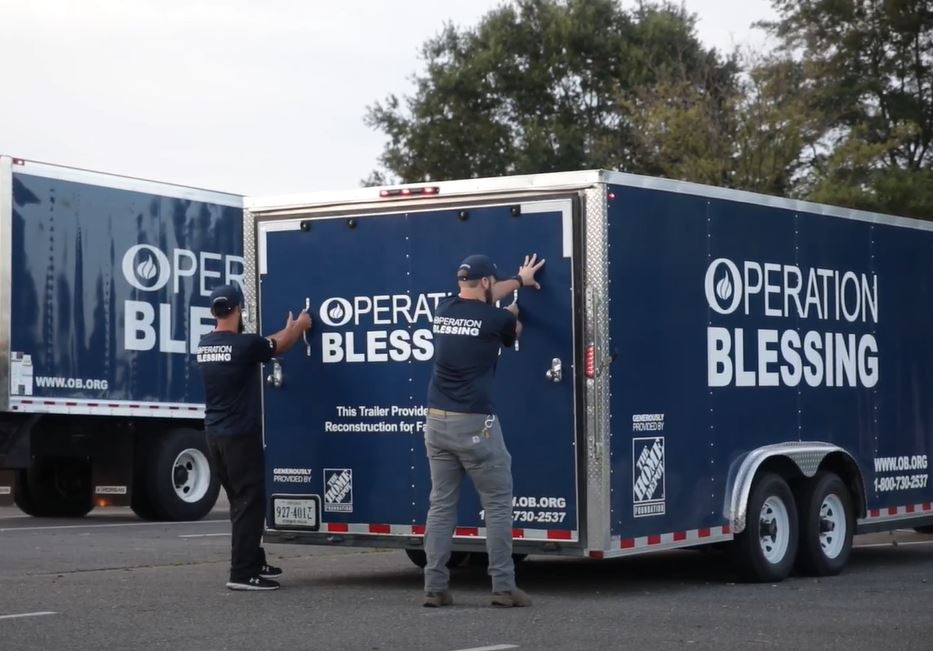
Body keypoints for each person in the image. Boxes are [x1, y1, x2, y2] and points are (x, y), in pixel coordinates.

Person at [422, 252, 545, 608]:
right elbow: (513, 329)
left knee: (441, 506)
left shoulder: (443, 310)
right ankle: (504, 588)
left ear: (462, 283)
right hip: (475, 422)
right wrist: (514, 311)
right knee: (496, 505)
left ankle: (434, 587)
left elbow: (487, 295)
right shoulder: (497, 320)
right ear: (488, 282)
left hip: (436, 421)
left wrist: (519, 280)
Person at [196, 283, 312, 591]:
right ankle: (242, 573)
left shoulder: (205, 344)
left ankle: (254, 559)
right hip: (239, 437)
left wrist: (282, 333)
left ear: (213, 312)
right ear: (238, 310)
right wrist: (300, 326)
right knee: (249, 503)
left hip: (215, 436)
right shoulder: (244, 346)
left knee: (240, 502)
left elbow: (262, 344)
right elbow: (279, 345)